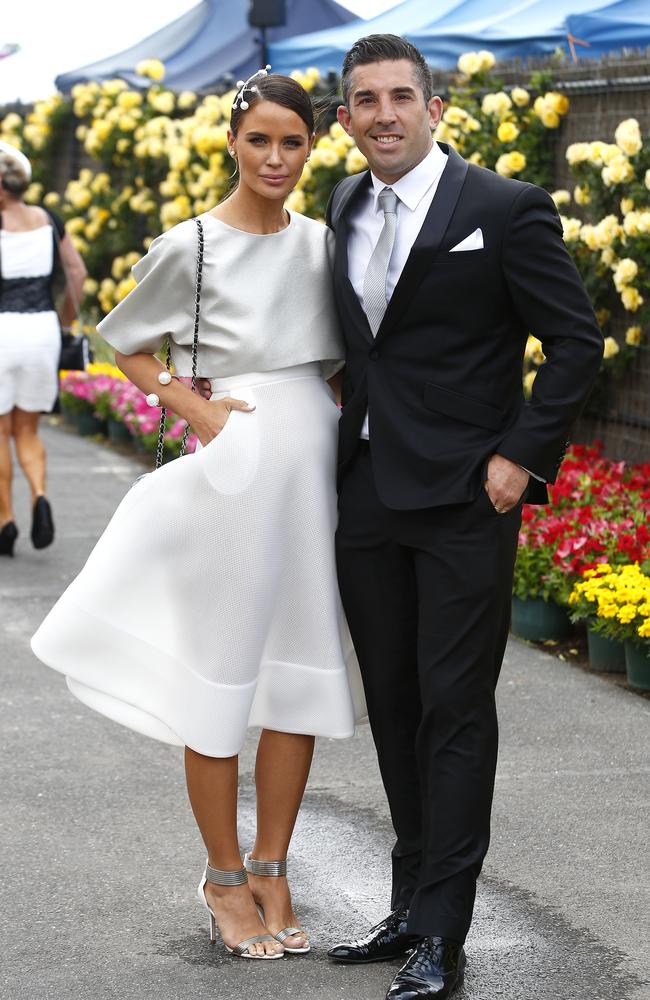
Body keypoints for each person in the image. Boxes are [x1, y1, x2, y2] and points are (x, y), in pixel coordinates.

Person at [31, 72, 365, 960]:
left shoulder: (324, 244)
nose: (276, 158)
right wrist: (203, 413)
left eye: (293, 142)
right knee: (219, 678)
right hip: (233, 473)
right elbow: (124, 343)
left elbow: (337, 364)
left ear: (312, 146)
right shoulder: (194, 246)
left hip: (311, 475)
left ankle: (272, 869)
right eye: (260, 140)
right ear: (232, 141)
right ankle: (223, 880)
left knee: (298, 681)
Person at [324, 35, 603, 1000]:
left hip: (464, 500)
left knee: (453, 712)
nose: (385, 114)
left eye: (402, 96)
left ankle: (445, 930)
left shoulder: (502, 207)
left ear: (435, 108)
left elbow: (575, 341)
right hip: (365, 494)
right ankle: (408, 905)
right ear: (348, 117)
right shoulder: (345, 204)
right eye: (366, 100)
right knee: (394, 706)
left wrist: (520, 458)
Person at [0, 141, 86, 555]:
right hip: (41, 331)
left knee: (1, 432)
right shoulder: (49, 220)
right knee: (28, 431)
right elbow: (77, 272)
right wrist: (65, 321)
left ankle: (5, 521)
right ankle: (40, 495)